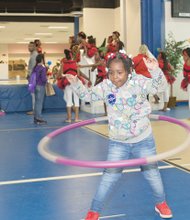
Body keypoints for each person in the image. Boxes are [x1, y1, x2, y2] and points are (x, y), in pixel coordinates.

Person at [65, 52, 172, 219]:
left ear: (129, 71)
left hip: (143, 139)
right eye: (111, 72)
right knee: (109, 178)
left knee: (152, 175)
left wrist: (156, 70)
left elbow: (160, 87)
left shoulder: (139, 82)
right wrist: (76, 83)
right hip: (118, 142)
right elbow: (87, 95)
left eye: (120, 72)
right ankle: (94, 210)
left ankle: (161, 203)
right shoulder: (106, 86)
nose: (115, 77)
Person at [57, 49, 91, 123]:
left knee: (68, 100)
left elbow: (59, 75)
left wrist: (66, 74)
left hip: (67, 82)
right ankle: (76, 118)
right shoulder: (75, 63)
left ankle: (69, 118)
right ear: (72, 55)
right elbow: (78, 74)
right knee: (76, 100)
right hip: (75, 82)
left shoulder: (63, 63)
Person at [33, 53, 47, 125]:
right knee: (39, 103)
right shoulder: (43, 68)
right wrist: (47, 81)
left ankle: (35, 117)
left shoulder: (35, 67)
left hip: (35, 86)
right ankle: (39, 118)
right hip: (41, 86)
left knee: (36, 102)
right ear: (42, 60)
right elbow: (44, 79)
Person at [26, 41, 38, 115]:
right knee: (33, 94)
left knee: (34, 94)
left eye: (31, 46)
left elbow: (33, 67)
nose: (29, 47)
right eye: (28, 46)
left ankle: (35, 110)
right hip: (33, 77)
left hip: (33, 77)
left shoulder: (34, 56)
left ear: (34, 47)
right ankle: (35, 110)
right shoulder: (32, 55)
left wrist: (29, 76)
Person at [181, 48, 190, 115]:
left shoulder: (188, 61)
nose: (183, 57)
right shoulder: (187, 62)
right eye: (183, 55)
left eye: (185, 55)